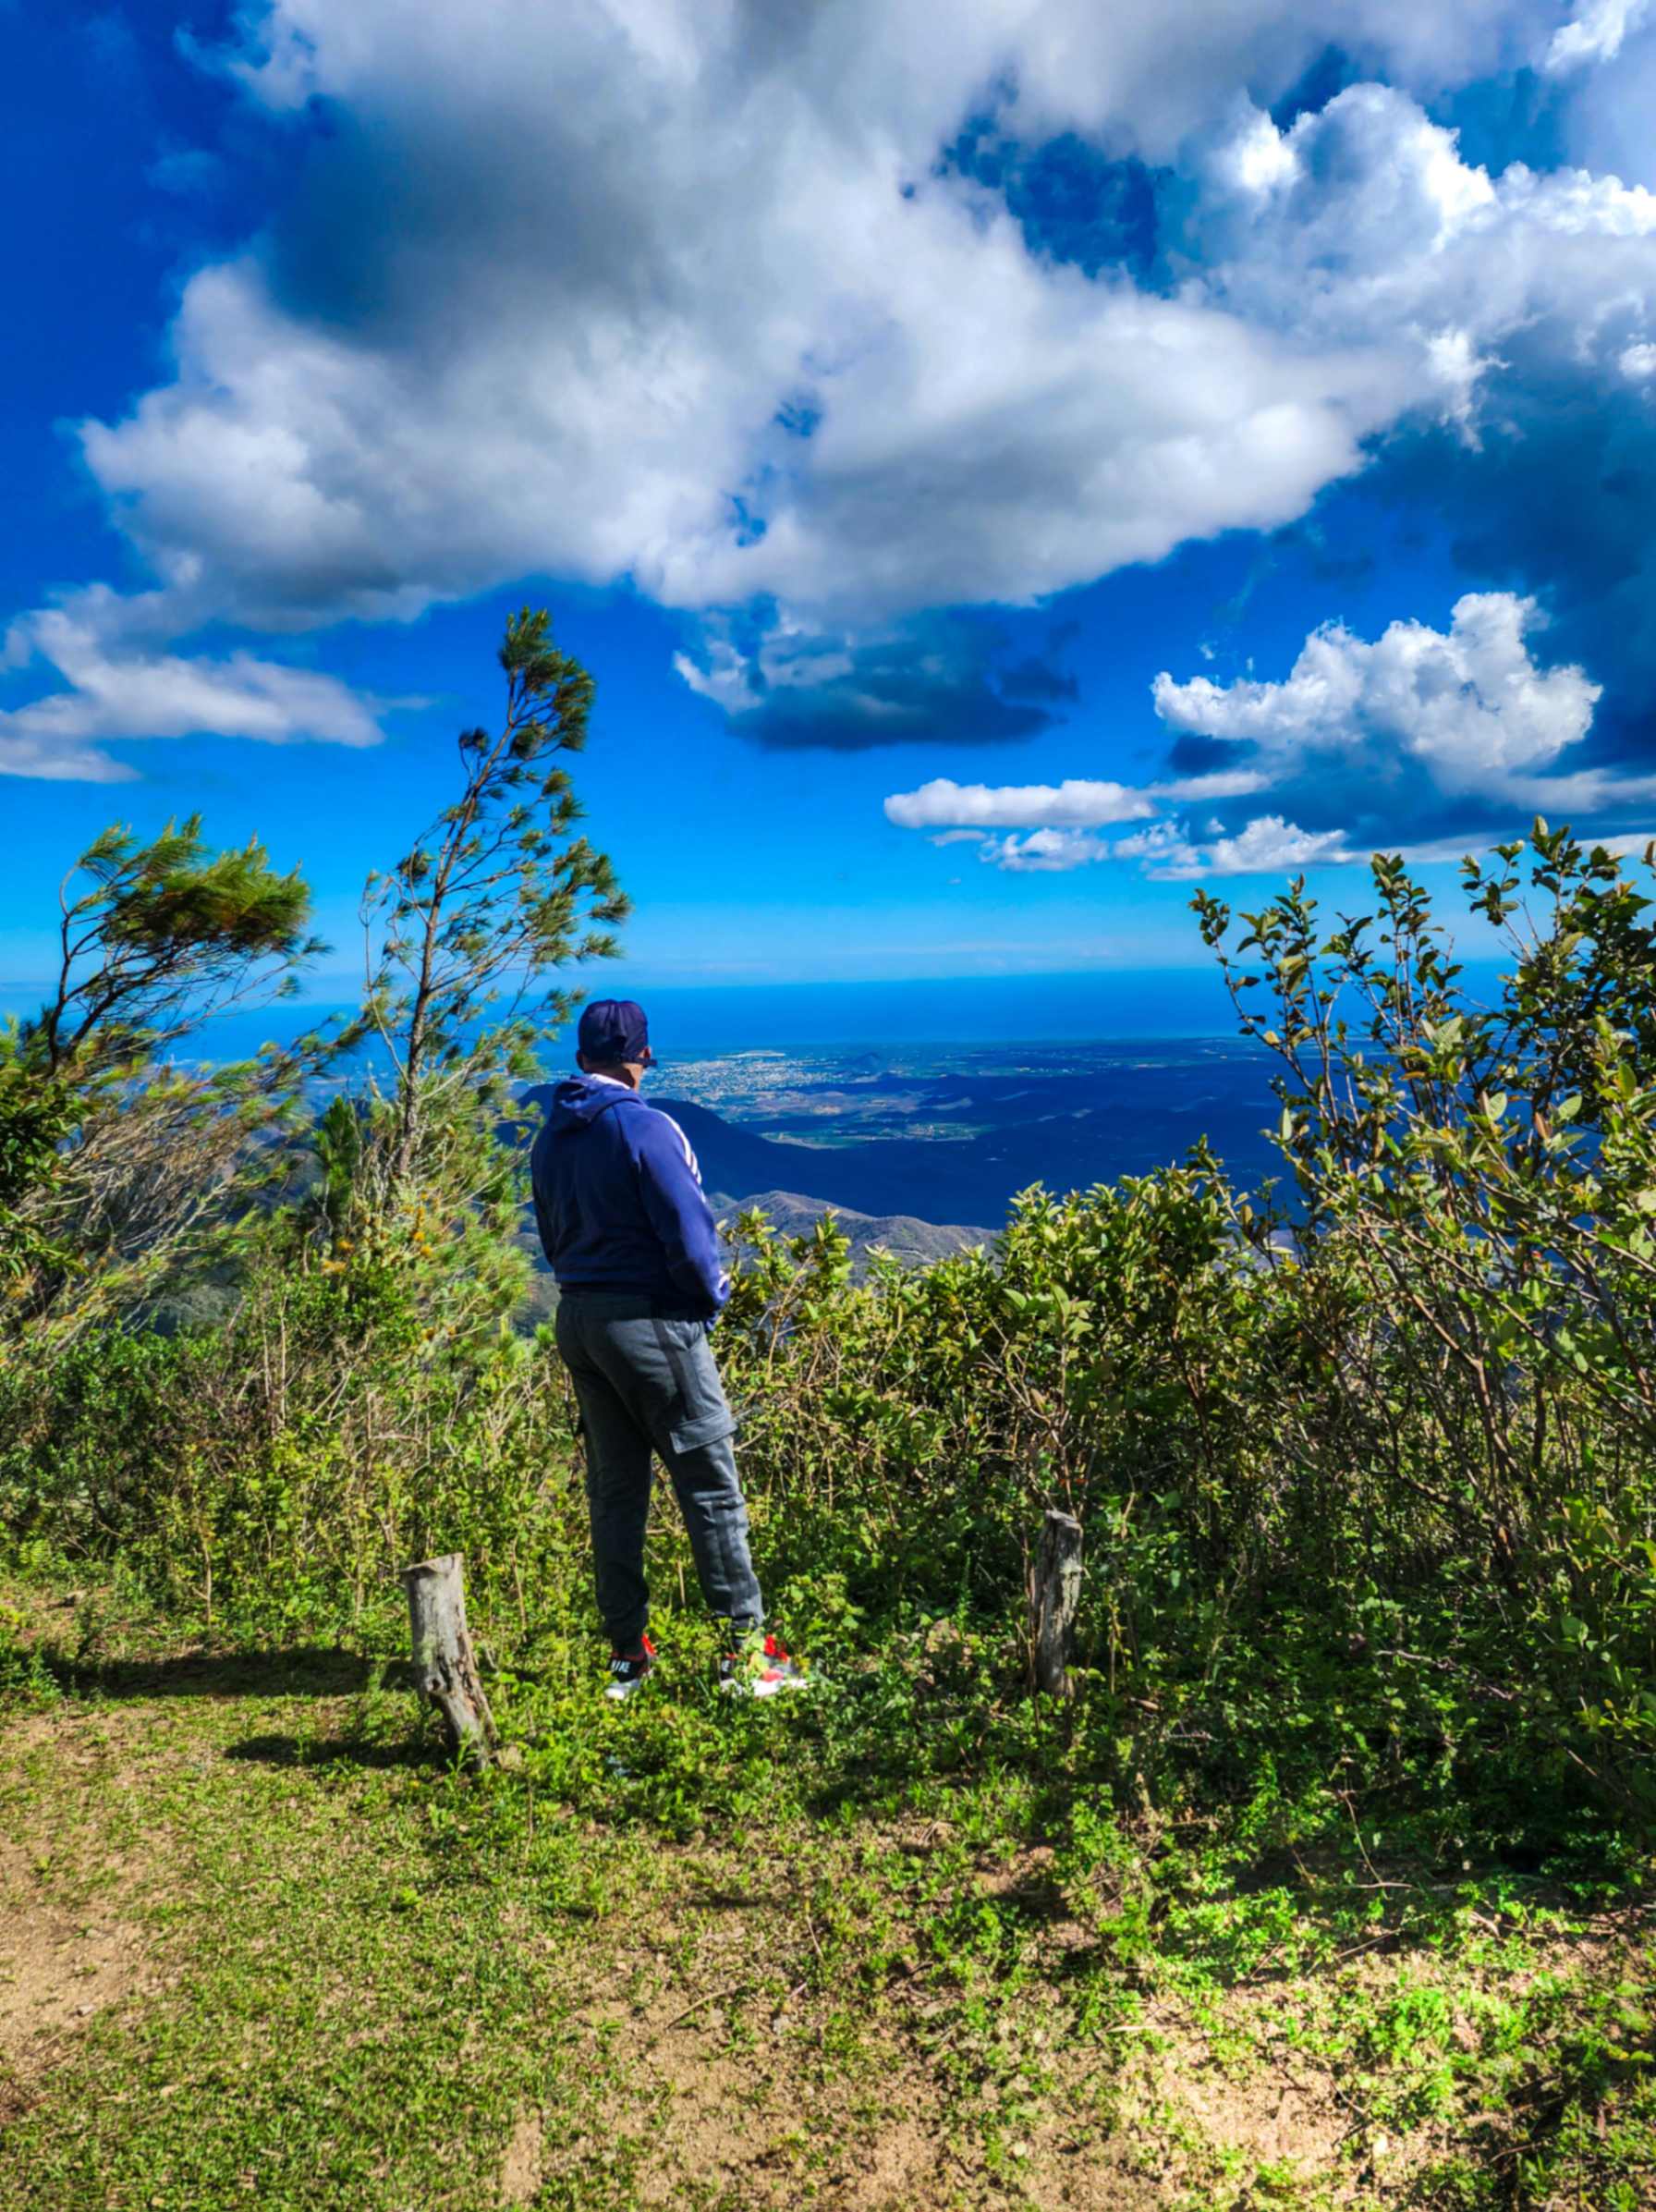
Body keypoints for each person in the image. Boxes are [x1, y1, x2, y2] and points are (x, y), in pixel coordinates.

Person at [530, 997, 802, 1701]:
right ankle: (746, 1657)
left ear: (584, 1056)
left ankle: (628, 1657)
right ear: (638, 1058)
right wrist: (708, 1300)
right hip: (650, 1322)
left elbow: (552, 1236)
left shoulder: (551, 1135)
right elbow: (691, 1233)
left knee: (616, 1491)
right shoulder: (647, 1128)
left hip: (580, 1320)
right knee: (710, 1483)